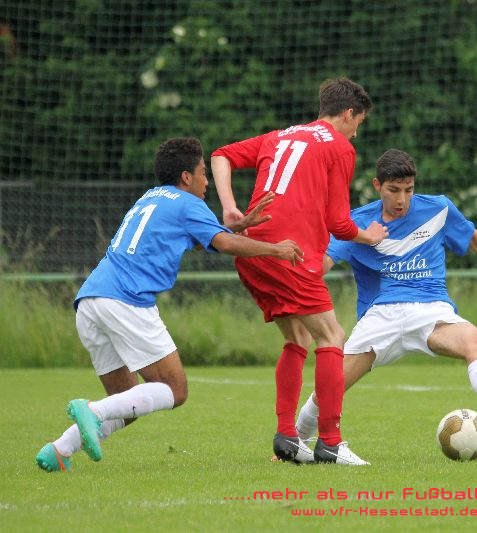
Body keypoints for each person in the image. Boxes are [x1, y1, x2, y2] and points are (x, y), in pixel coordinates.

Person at [35, 137, 304, 473]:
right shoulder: (188, 204)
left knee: (126, 402)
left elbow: (201, 236)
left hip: (91, 300)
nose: (207, 181)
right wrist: (276, 249)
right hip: (126, 301)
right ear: (186, 177)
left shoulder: (151, 197)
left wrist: (240, 224)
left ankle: (59, 450)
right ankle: (92, 410)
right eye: (204, 172)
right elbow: (223, 244)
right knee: (174, 390)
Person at [294, 149, 477, 447]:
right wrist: (294, 252)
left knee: (475, 342)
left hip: (431, 309)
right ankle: (296, 439)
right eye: (393, 190)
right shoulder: (357, 223)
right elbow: (322, 265)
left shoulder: (438, 209)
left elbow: (472, 236)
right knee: (331, 388)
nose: (402, 199)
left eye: (408, 190)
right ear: (377, 185)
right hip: (381, 315)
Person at [210, 77, 388, 466]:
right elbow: (339, 223)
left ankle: (287, 437)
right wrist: (369, 236)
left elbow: (221, 155)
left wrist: (229, 207)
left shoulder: (279, 136)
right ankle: (331, 443)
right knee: (332, 336)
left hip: (251, 249)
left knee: (298, 336)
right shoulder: (339, 146)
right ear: (348, 113)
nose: (357, 132)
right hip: (288, 252)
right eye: (359, 123)